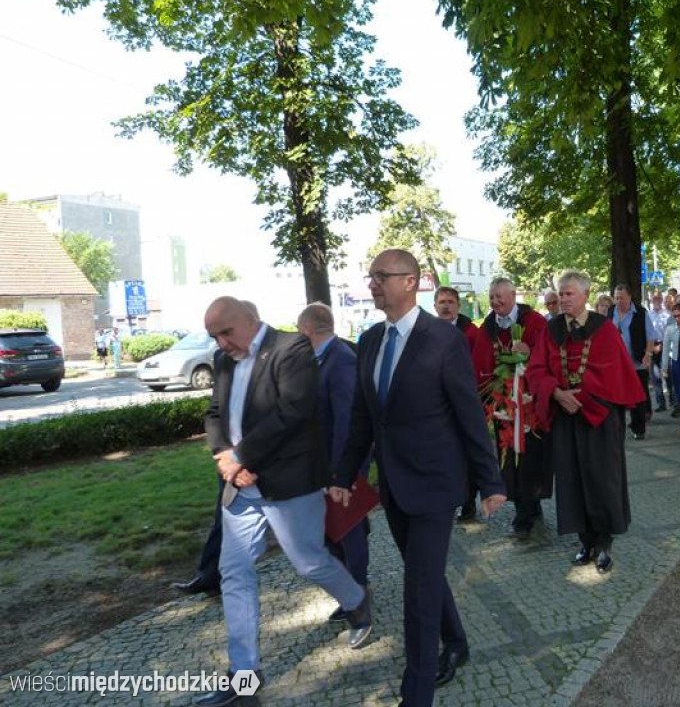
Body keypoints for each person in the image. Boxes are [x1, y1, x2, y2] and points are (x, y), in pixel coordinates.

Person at [336, 249, 506, 706]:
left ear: (410, 282)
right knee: (423, 573)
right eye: (369, 276)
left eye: (380, 276)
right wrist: (344, 474)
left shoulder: (443, 340)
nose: (371, 284)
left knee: (419, 589)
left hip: (434, 484)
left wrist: (490, 482)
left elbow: (470, 414)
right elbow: (362, 417)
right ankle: (457, 643)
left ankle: (416, 693)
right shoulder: (370, 340)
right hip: (393, 485)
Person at [196, 297, 370, 707]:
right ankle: (245, 678)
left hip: (290, 483)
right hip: (240, 486)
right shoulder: (224, 361)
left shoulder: (292, 348)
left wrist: (243, 456)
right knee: (234, 574)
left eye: (226, 332)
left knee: (309, 561)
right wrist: (226, 458)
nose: (221, 343)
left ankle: (357, 599)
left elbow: (292, 413)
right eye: (214, 337)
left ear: (251, 321)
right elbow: (214, 413)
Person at [526, 270, 645, 575]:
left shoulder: (604, 329)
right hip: (565, 416)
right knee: (571, 478)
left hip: (600, 417)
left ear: (585, 295)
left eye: (569, 294)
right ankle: (584, 540)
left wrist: (581, 397)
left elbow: (613, 371)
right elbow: (536, 369)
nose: (563, 299)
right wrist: (556, 392)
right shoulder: (551, 329)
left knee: (601, 477)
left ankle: (603, 543)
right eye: (561, 294)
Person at [297, 301, 371, 623]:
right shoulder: (324, 357)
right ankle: (350, 592)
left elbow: (347, 422)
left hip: (341, 465)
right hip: (328, 464)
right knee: (338, 530)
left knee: (347, 529)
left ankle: (358, 593)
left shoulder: (339, 360)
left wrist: (342, 473)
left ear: (306, 330)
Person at [469, 277, 551, 535]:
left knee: (531, 456)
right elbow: (480, 362)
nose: (495, 302)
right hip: (502, 403)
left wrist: (529, 352)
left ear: (513, 295)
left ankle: (530, 506)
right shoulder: (488, 327)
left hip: (529, 404)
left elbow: (547, 353)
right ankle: (524, 509)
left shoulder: (534, 321)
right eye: (491, 297)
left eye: (499, 296)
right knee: (509, 456)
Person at [611, 284, 657, 440]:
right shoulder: (611, 312)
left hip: (637, 362)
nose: (618, 301)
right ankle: (618, 428)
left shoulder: (641, 313)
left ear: (629, 297)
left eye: (621, 297)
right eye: (616, 298)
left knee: (638, 396)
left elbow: (651, 336)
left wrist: (648, 354)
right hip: (616, 364)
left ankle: (639, 428)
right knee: (617, 396)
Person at [434, 286, 479, 350]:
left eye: (450, 302)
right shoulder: (427, 332)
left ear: (458, 306)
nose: (446, 306)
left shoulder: (472, 331)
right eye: (442, 302)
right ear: (435, 307)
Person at [648, 292, 671, 412]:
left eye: (658, 298)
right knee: (655, 377)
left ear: (662, 300)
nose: (656, 300)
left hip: (664, 346)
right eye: (654, 298)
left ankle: (673, 402)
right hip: (651, 346)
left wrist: (661, 346)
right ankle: (660, 403)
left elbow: (669, 333)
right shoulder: (648, 314)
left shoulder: (667, 315)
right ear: (651, 300)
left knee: (668, 375)